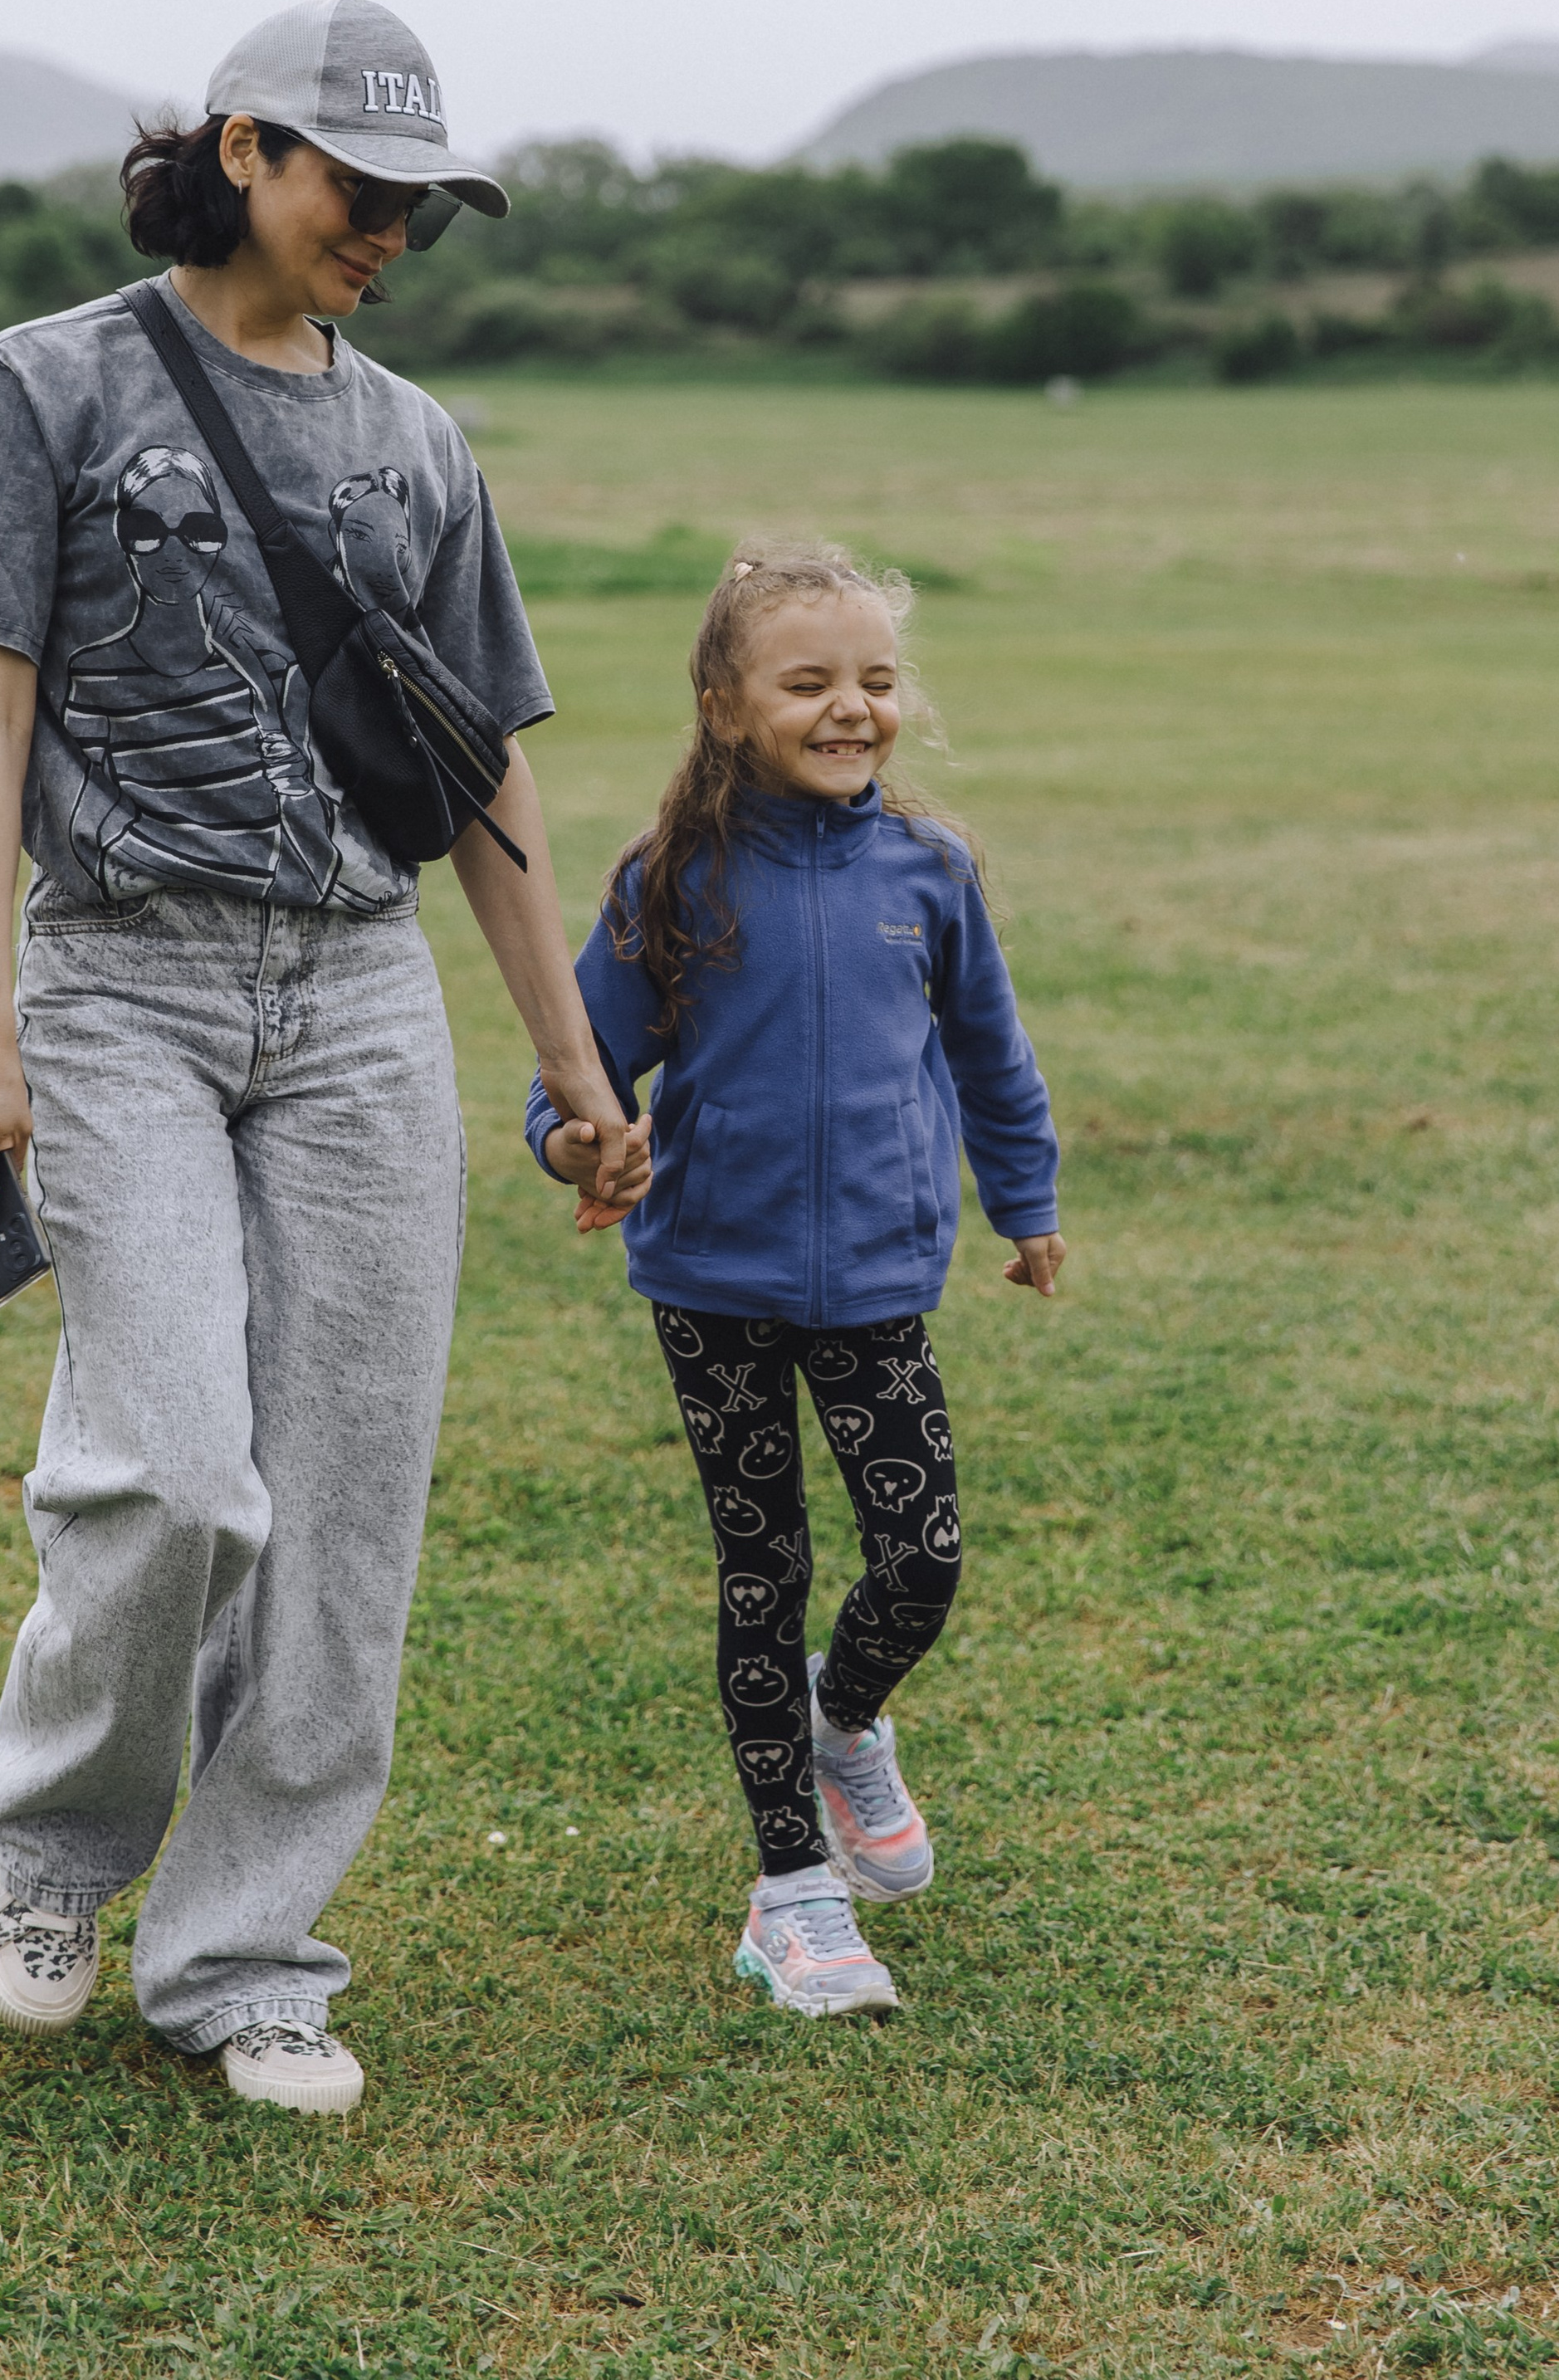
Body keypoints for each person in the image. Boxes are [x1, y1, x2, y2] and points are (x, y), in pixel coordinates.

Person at [0, 0, 648, 2114]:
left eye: (423, 200)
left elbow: (480, 777)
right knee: (170, 1472)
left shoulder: (415, 442)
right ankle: (54, 1851)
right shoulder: (41, 385)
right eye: (358, 186)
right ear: (243, 150)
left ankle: (244, 1956)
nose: (391, 230)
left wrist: (574, 1069)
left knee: (339, 1504)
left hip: (349, 992)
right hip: (116, 976)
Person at [525, 543, 1061, 2020]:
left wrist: (1027, 1205)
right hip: (713, 1282)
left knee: (924, 1560)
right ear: (723, 705)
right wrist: (582, 1147)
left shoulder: (930, 874)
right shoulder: (672, 880)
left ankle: (846, 1724)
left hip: (881, 1278)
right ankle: (794, 1900)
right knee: (763, 1573)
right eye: (810, 682)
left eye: (877, 682)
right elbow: (575, 1069)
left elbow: (992, 1062)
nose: (851, 710)